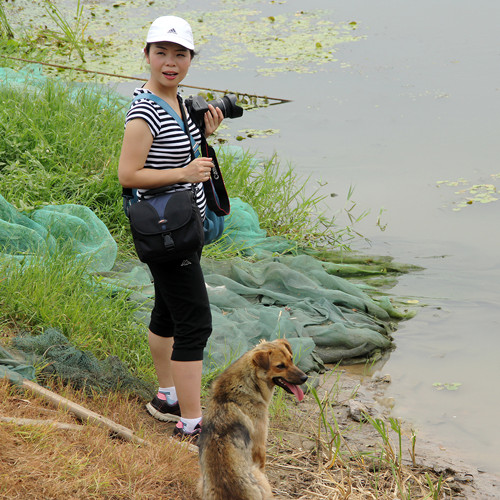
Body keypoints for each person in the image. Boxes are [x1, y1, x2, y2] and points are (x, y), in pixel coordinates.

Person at [118, 15, 224, 441]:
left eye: (180, 54)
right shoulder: (144, 111)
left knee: (167, 310)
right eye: (161, 52)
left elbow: (183, 156)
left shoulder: (179, 102)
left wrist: (204, 136)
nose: (170, 62)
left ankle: (167, 398)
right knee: (195, 323)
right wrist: (185, 171)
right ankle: (192, 424)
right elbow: (129, 174)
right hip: (166, 231)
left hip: (183, 228)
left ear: (190, 59)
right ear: (146, 55)